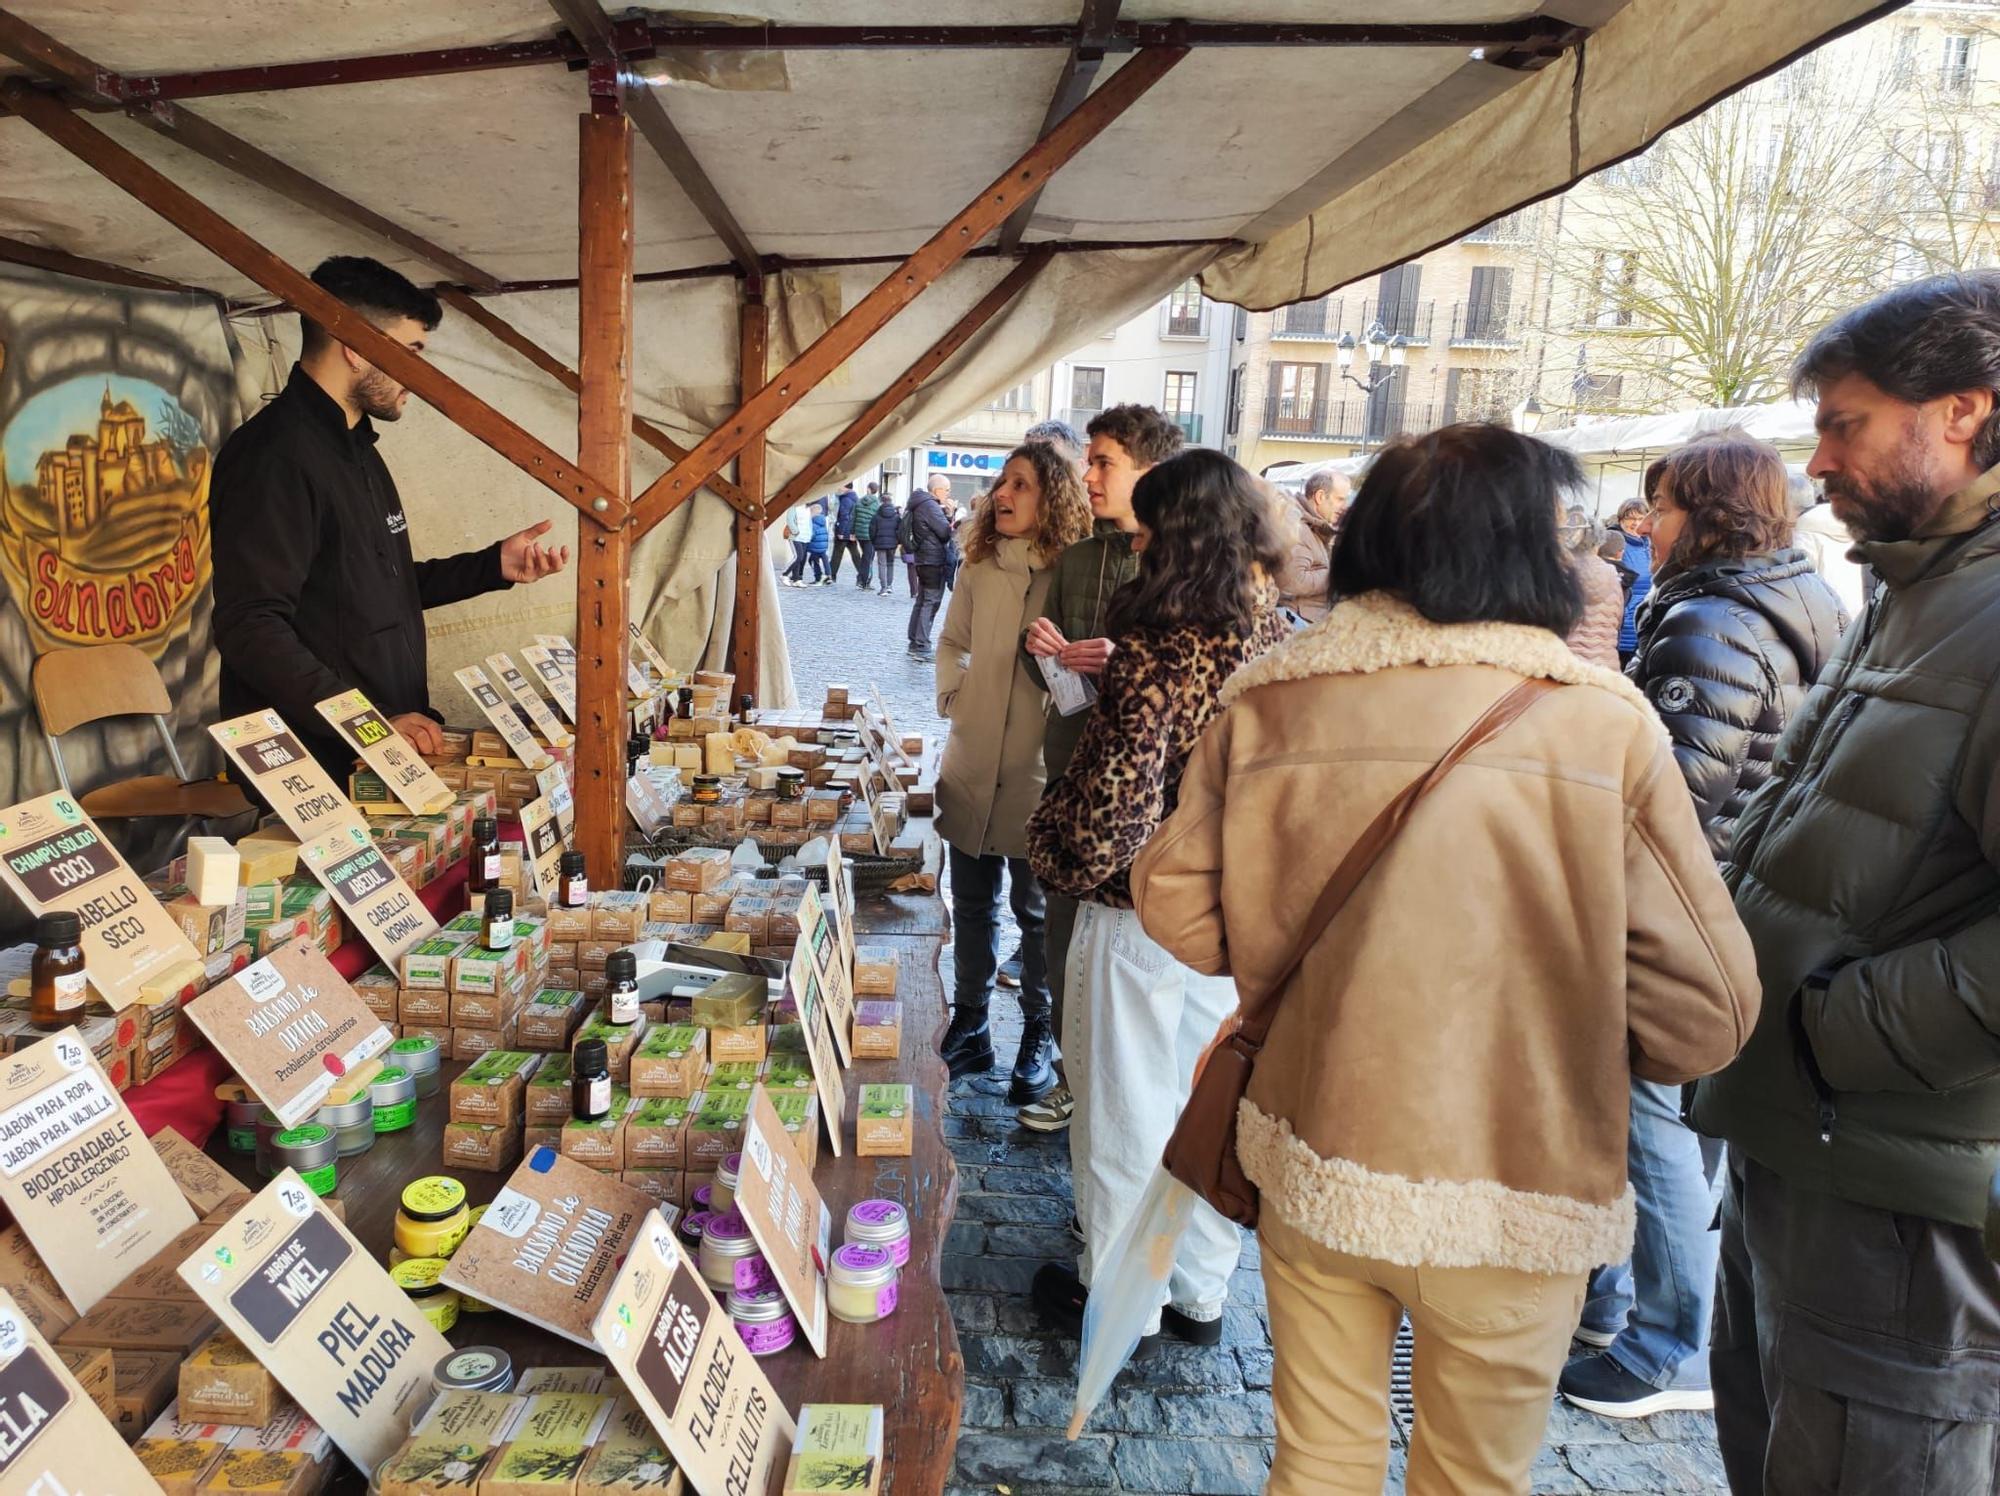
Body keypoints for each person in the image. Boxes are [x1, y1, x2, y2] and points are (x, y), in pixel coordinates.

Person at [1132, 424, 1758, 1493]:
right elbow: (1705, 1011)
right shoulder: (1602, 727)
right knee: (1473, 1476)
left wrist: (1310, 955)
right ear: (1531, 551)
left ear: (1370, 538)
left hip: (1312, 1144)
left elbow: (1176, 909)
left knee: (1316, 1462)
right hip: (1519, 1180)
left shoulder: (1270, 696)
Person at [1691, 272, 2000, 1495]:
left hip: (1893, 1193)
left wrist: (1836, 1027)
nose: (1813, 460)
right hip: (1800, 1145)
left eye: (1844, 422)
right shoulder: (1917, 587)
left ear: (1965, 410)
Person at [1560, 432, 1843, 1422]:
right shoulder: (1790, 594)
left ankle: (1664, 1342)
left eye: (1665, 506)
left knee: (1643, 1118)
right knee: (1664, 1120)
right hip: (1733, 902)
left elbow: (1666, 791)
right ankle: (1609, 1301)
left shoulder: (1709, 620)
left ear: (1711, 512)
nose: (1648, 524)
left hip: (1676, 905)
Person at [1026, 448, 1292, 1348]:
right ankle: (1200, 1292)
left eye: (1145, 524)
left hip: (1139, 908)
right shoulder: (1273, 637)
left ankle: (1119, 1300)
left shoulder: (1157, 644)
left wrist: (1056, 853)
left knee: (1124, 1106)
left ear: (1170, 534)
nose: (1130, 538)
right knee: (1205, 1098)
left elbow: (1115, 804)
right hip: (1232, 909)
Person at [211, 256, 568, 779]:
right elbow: (250, 625)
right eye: (411, 353)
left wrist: (492, 565)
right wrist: (367, 725)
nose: (419, 377)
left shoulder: (360, 449)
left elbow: (374, 585)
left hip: (384, 742)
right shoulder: (274, 456)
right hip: (319, 760)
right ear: (356, 348)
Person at [1016, 404, 1184, 1133]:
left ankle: (1129, 1102)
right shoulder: (1079, 559)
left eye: (1103, 462)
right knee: (1061, 948)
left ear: (1149, 470)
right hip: (1069, 777)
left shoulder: (1182, 567)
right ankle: (1071, 1075)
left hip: (1146, 801)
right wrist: (1041, 651)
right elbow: (1040, 679)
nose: (1086, 475)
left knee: (1133, 965)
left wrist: (1131, 668)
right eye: (1089, 459)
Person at [935, 443, 1092, 1102]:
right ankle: (971, 1023)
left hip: (1036, 764)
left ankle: (1038, 1032)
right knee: (970, 902)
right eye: (1003, 482)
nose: (1003, 494)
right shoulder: (979, 565)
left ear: (1050, 498)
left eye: (1021, 485)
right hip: (973, 755)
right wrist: (955, 696)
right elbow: (952, 643)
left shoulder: (1076, 573)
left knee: (1035, 912)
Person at [1275, 469, 1348, 623]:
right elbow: (1292, 581)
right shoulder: (1297, 527)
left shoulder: (1314, 527)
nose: (1344, 506)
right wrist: (1337, 574)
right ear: (1320, 497)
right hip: (1297, 622)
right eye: (1340, 499)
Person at [1562, 504, 1626, 669]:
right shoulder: (1612, 574)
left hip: (1566, 667)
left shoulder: (1561, 574)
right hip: (1605, 667)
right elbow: (1618, 621)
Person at [904, 476, 955, 657]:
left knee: (922, 600)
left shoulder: (919, 503)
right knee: (930, 601)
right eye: (947, 489)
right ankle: (921, 644)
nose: (949, 493)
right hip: (933, 560)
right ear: (937, 490)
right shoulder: (931, 506)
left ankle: (914, 640)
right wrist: (950, 514)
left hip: (923, 558)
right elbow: (944, 533)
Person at [1613, 497, 1653, 664]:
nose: (1635, 523)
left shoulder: (1650, 544)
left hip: (1646, 623)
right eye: (1630, 518)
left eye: (1640, 518)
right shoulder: (1615, 546)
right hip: (1625, 625)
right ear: (1621, 519)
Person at [827, 480, 863, 583]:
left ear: (845, 487)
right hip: (851, 532)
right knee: (855, 554)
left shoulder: (846, 499)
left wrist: (841, 532)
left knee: (837, 554)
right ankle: (863, 575)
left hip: (844, 531)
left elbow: (845, 517)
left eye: (840, 486)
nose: (839, 488)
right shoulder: (855, 498)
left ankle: (831, 575)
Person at [851, 481, 883, 591]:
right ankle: (864, 581)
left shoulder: (859, 502)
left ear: (868, 489)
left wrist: (852, 532)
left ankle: (861, 580)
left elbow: (853, 518)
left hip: (859, 533)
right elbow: (878, 521)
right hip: (870, 535)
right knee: (868, 559)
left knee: (865, 557)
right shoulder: (877, 504)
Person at [871, 491, 903, 597]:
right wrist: (897, 541)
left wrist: (874, 541)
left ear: (881, 502)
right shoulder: (896, 516)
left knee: (882, 564)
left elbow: (872, 530)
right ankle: (889, 586)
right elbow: (900, 529)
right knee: (890, 564)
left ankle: (883, 587)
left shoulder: (876, 515)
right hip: (892, 544)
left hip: (880, 543)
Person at [782, 505, 812, 586]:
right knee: (798, 556)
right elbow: (790, 520)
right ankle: (784, 574)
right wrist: (795, 531)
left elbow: (809, 522)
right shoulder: (793, 507)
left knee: (801, 559)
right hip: (795, 537)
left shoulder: (807, 508)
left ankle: (796, 579)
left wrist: (810, 534)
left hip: (805, 537)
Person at [805, 497, 831, 584]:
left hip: (815, 547)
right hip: (823, 547)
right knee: (825, 559)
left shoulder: (813, 523)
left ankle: (818, 576)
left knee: (812, 560)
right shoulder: (822, 521)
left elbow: (812, 535)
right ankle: (828, 575)